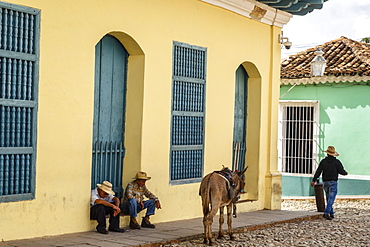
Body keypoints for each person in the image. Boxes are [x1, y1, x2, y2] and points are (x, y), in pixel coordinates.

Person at [311, 146, 348, 220]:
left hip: (325, 182)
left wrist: (313, 180)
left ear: (327, 153)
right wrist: (345, 173)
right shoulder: (336, 162)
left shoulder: (323, 161)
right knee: (331, 198)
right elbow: (341, 171)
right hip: (333, 182)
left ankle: (331, 213)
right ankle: (327, 212)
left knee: (328, 197)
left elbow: (318, 171)